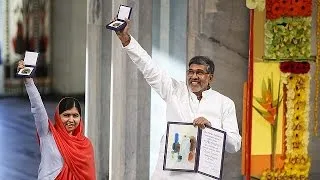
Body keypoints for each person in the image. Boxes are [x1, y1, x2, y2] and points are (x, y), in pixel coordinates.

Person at [115, 20, 242, 180]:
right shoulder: (174, 90)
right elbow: (148, 67)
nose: (194, 76)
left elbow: (234, 145)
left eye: (199, 72)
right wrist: (126, 40)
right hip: (169, 174)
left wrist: (212, 128)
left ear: (210, 77)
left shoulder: (225, 103)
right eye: (190, 72)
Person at [17, 61, 96, 180]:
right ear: (58, 116)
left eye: (75, 115)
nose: (71, 119)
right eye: (66, 115)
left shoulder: (85, 145)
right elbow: (38, 108)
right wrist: (28, 81)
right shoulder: (47, 134)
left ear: (80, 118)